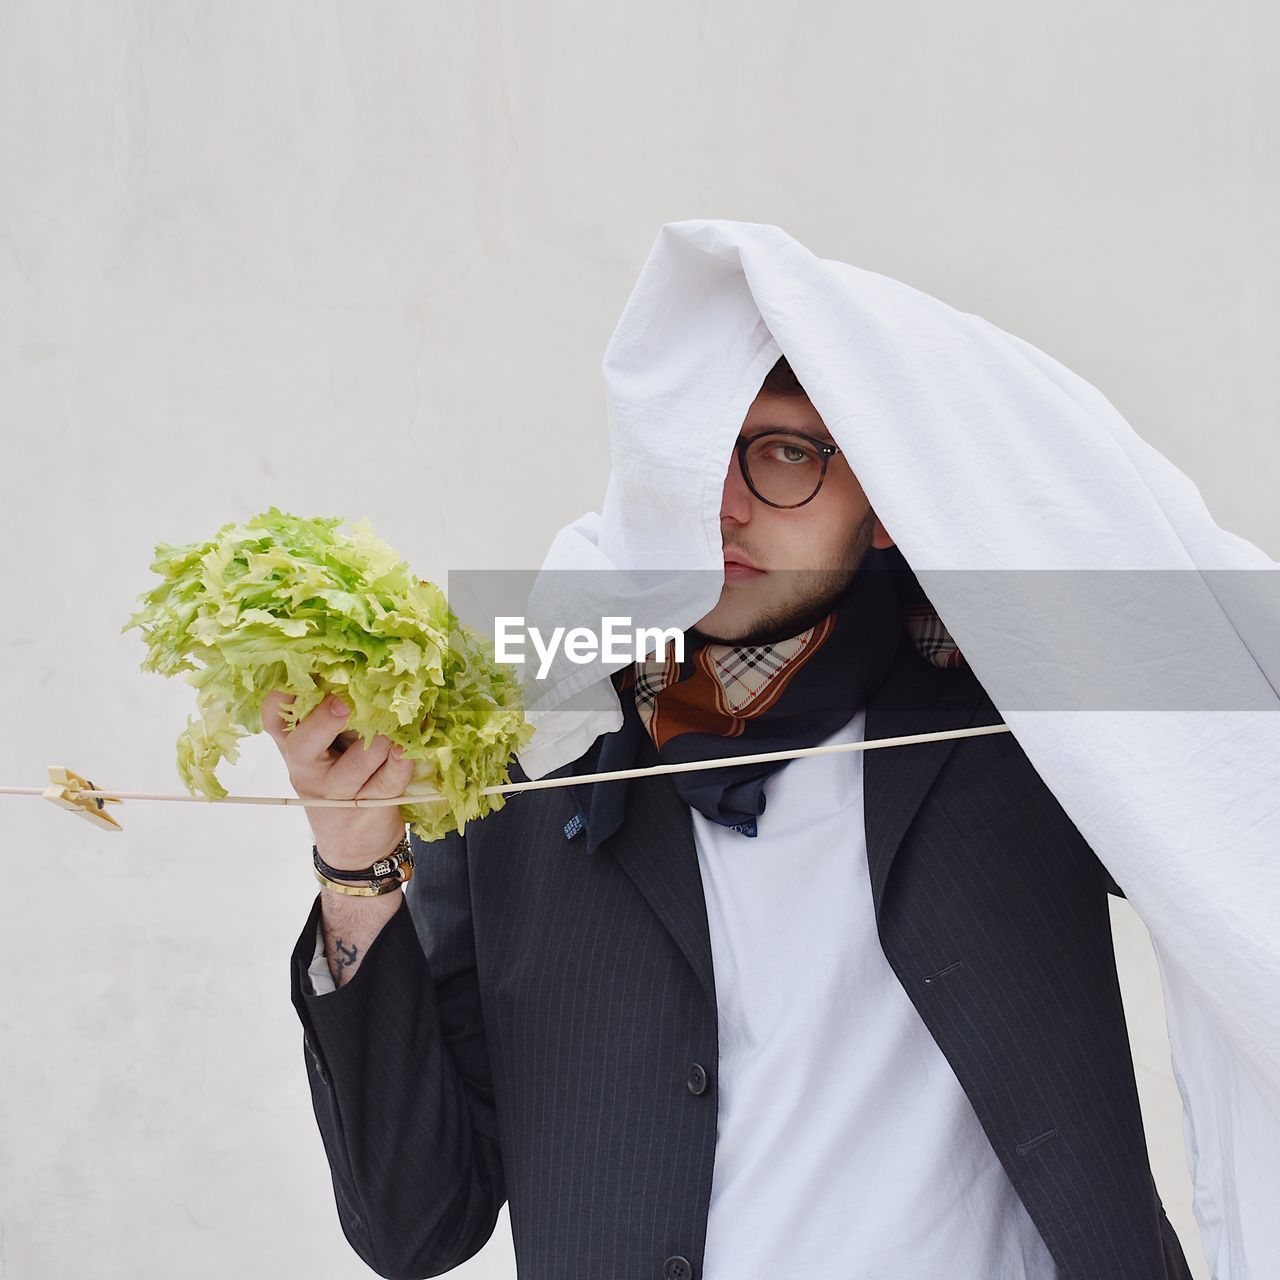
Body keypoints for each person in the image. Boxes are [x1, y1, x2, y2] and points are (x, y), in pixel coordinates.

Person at [265, 354, 1195, 1280]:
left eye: (787, 452)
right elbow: (417, 1225)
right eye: (692, 449)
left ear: (885, 485)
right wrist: (355, 868)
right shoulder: (529, 743)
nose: (723, 504)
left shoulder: (1014, 708)